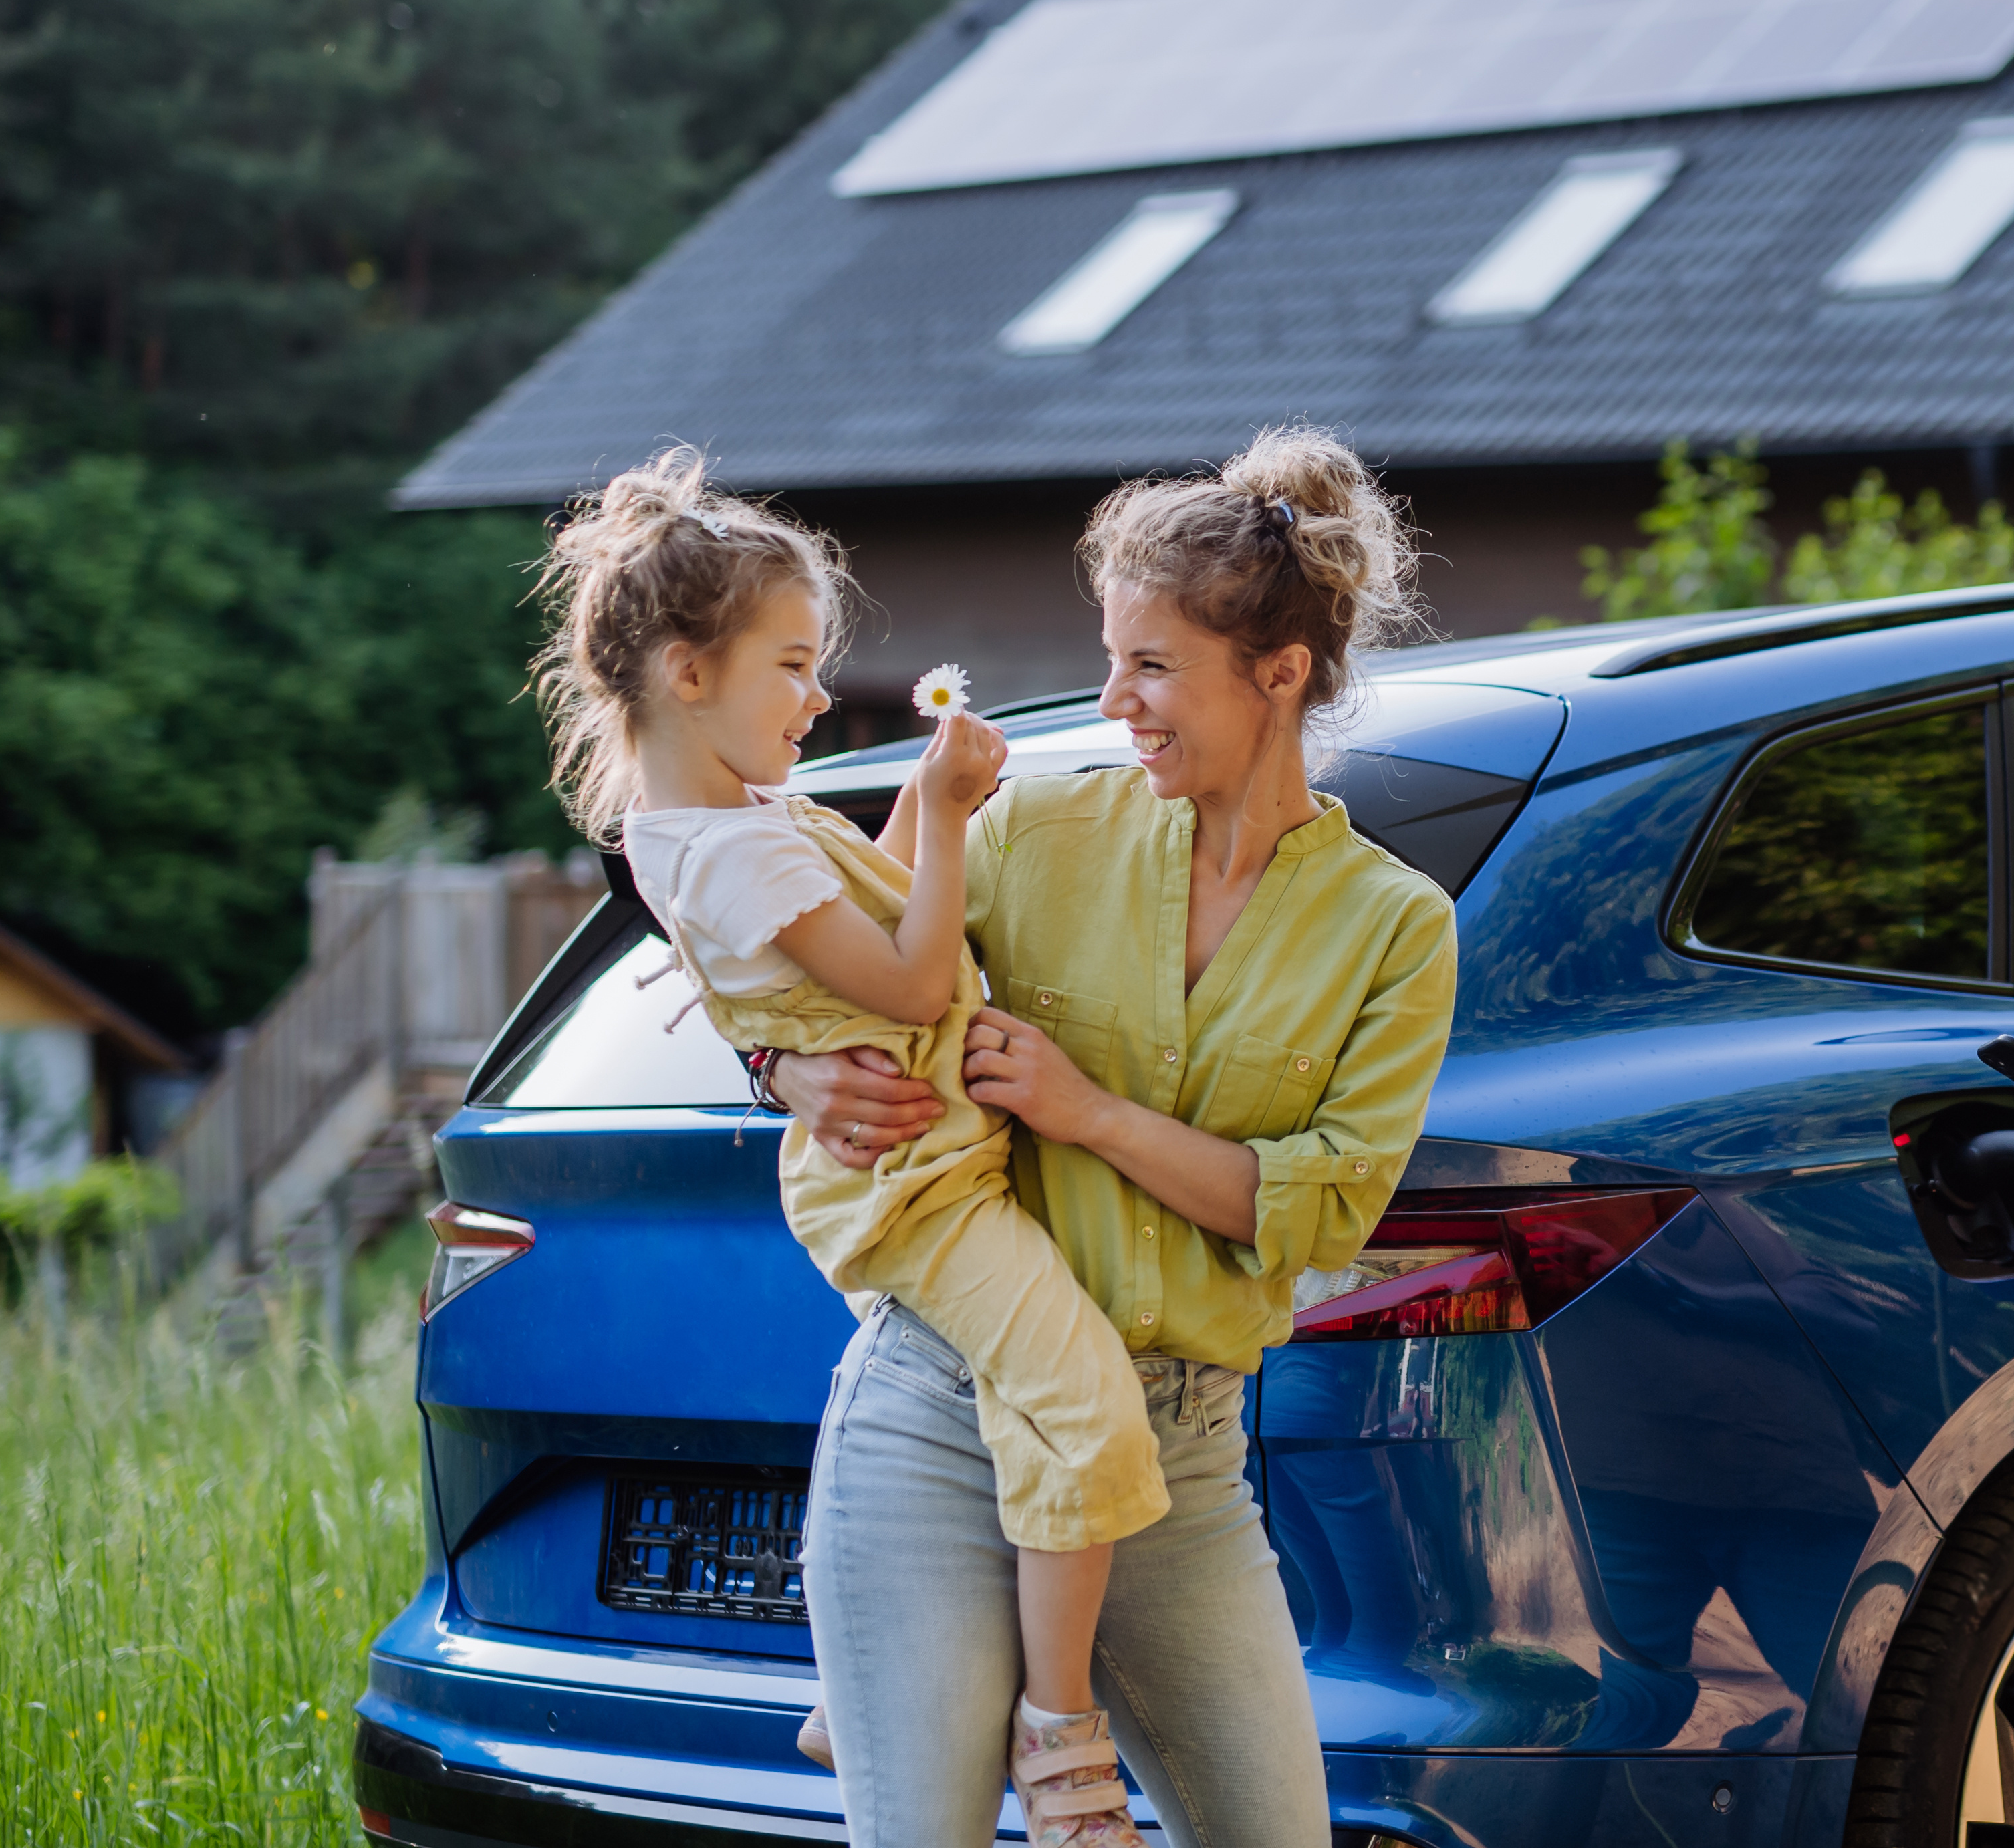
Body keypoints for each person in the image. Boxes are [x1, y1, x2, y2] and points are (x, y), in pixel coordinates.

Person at [771, 426, 1459, 1848]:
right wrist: (789, 1069)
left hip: (1178, 1456)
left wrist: (1087, 1111)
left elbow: (1316, 1211)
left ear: (1279, 673)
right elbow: (825, 968)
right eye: (1113, 656)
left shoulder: (1396, 928)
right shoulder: (1031, 829)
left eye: (1152, 665)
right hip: (942, 1417)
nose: (1114, 699)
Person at [533, 448, 1164, 1848]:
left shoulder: (715, 817)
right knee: (1088, 1411)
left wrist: (920, 834)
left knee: (984, 1415)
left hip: (911, 1160)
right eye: (795, 664)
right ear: (689, 670)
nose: (819, 695)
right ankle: (1058, 1741)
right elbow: (916, 982)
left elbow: (851, 920)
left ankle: (862, 1669)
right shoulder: (729, 844)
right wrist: (941, 815)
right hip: (919, 1180)